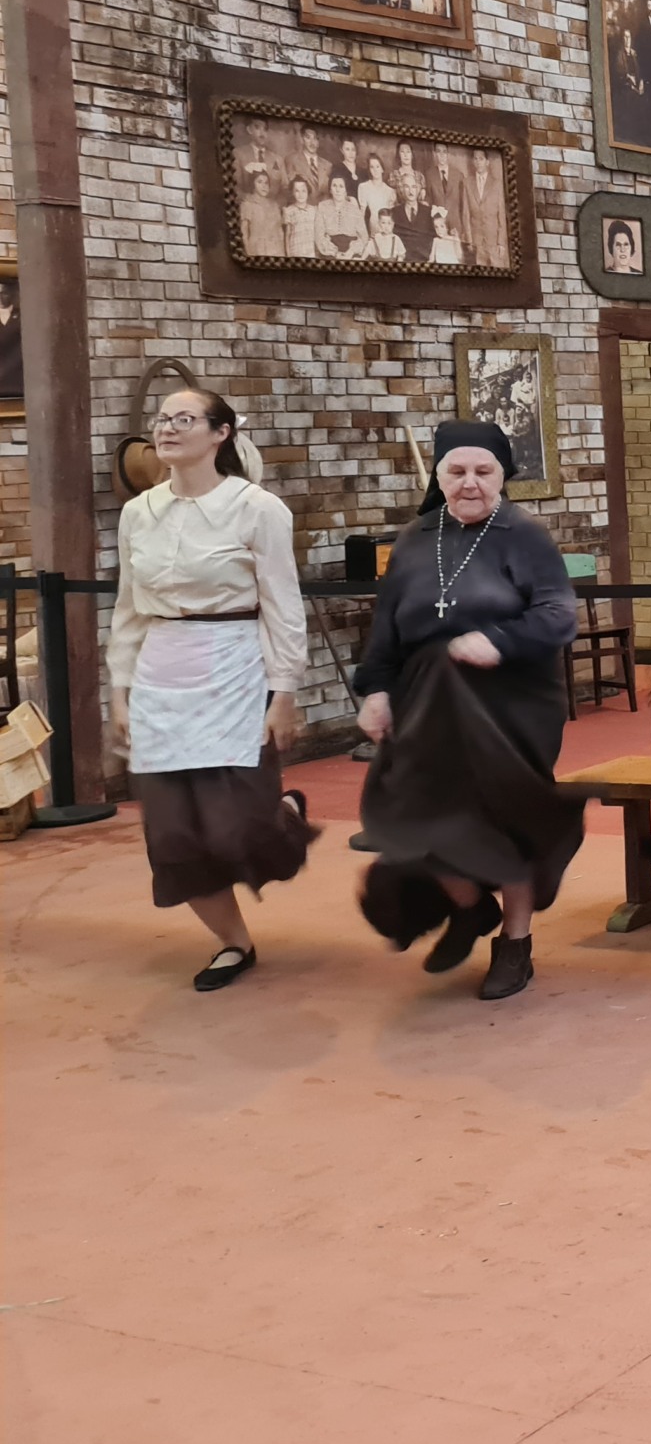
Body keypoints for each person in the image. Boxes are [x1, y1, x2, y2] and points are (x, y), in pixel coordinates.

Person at [350, 423, 581, 1001]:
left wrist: (499, 639)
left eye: (484, 472)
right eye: (457, 471)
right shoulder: (413, 539)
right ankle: (471, 907)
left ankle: (515, 943)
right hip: (428, 702)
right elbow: (385, 634)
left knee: (507, 822)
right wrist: (376, 690)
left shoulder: (525, 537)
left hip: (511, 703)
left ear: (504, 477)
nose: (470, 483)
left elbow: (558, 616)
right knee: (416, 821)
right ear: (438, 475)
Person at [107, 391, 316, 992]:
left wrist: (283, 690)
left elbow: (282, 605)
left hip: (233, 665)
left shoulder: (256, 509)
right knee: (174, 837)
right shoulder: (139, 513)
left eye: (184, 419)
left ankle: (283, 816)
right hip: (159, 672)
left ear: (220, 433)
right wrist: (119, 689)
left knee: (240, 828)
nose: (168, 429)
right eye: (163, 420)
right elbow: (128, 609)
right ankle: (234, 944)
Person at [316, 166, 366, 259]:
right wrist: (334, 253)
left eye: (341, 186)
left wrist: (351, 252)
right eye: (334, 186)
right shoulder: (322, 207)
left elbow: (363, 237)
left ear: (346, 190)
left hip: (351, 252)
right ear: (330, 189)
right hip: (329, 252)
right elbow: (319, 235)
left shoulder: (354, 209)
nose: (337, 190)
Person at [237, 168, 284, 259]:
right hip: (257, 250)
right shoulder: (247, 204)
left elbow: (280, 231)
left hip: (276, 250)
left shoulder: (274, 205)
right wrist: (248, 254)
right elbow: (244, 233)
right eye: (259, 182)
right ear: (253, 184)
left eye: (266, 183)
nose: (264, 186)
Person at [279, 177, 319, 260]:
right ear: (292, 193)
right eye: (297, 191)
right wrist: (288, 256)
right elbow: (287, 235)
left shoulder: (314, 210)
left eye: (303, 191)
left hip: (311, 252)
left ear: (308, 191)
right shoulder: (288, 210)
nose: (300, 194)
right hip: (295, 252)